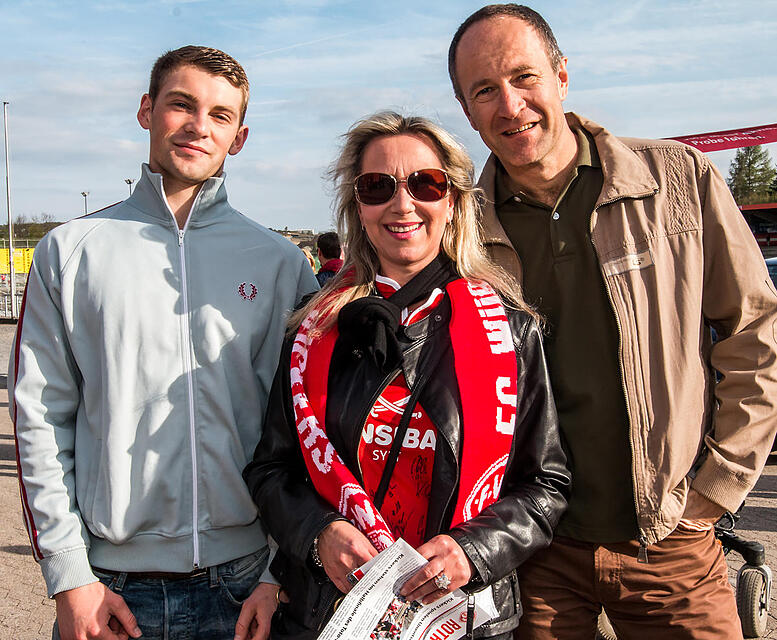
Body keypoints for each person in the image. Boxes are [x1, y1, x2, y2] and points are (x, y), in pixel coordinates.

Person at [447, 5, 777, 639]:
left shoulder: (677, 179)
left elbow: (755, 332)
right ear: (467, 110)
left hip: (670, 539)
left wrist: (719, 484)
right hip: (535, 551)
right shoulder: (461, 227)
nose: (510, 106)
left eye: (524, 77)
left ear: (562, 76)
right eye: (484, 90)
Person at [10, 46, 318, 640]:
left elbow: (305, 429)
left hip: (248, 586)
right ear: (147, 109)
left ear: (241, 136)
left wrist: (282, 567)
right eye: (182, 104)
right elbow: (40, 421)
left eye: (221, 115)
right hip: (112, 592)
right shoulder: (70, 252)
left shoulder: (281, 264)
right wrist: (70, 577)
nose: (200, 125)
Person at [243, 111, 571, 640]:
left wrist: (474, 551)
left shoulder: (512, 331)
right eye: (378, 186)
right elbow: (271, 470)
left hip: (462, 617)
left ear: (453, 201)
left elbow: (546, 484)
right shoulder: (311, 329)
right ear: (358, 206)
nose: (402, 204)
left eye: (426, 183)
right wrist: (317, 532)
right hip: (331, 610)